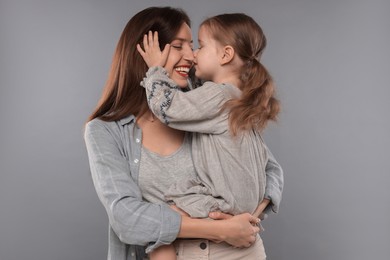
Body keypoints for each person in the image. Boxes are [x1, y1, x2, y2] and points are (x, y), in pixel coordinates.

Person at [84, 7, 283, 260]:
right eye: (179, 46)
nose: (190, 56)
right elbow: (126, 218)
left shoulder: (205, 107)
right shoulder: (105, 131)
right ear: (146, 53)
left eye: (194, 45)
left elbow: (269, 168)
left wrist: (248, 217)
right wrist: (222, 229)